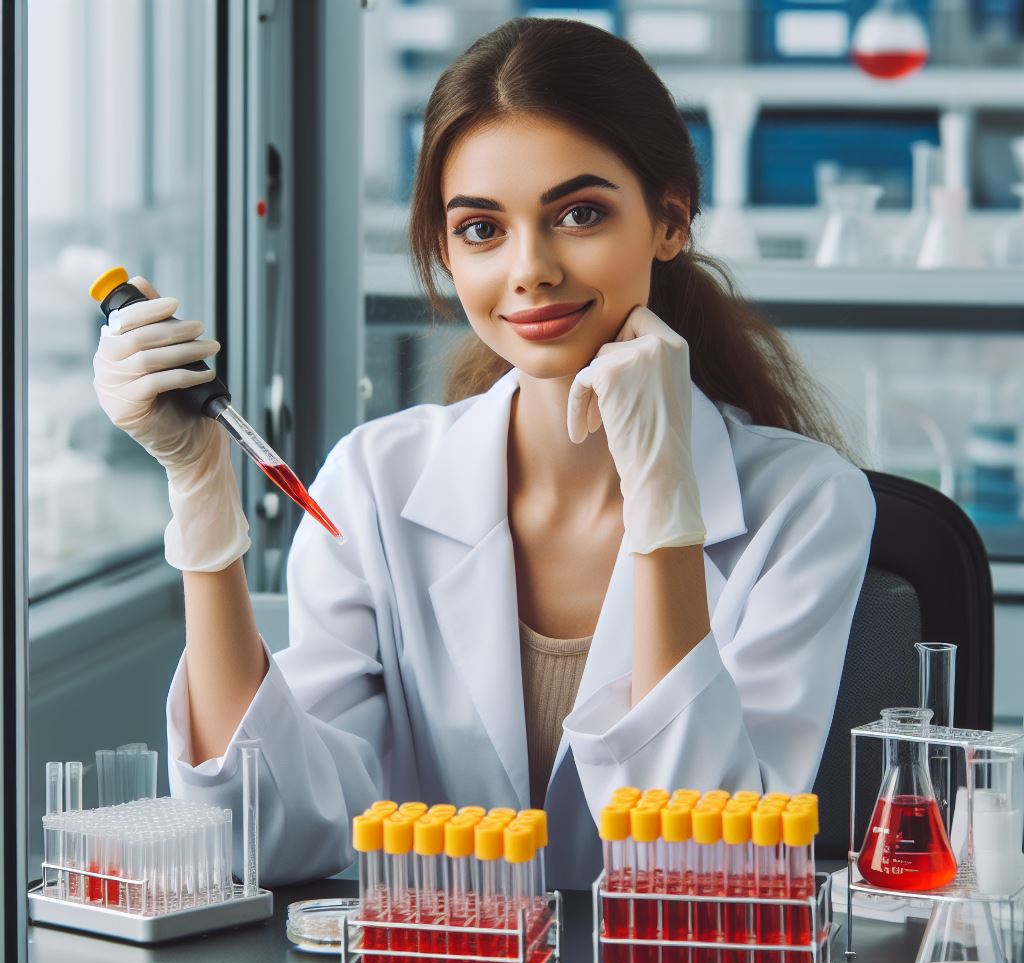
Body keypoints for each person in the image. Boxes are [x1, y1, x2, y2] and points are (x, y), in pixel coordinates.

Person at [92, 18, 875, 889]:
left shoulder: (806, 503)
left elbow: (707, 869)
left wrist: (666, 505)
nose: (530, 268)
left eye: (580, 214)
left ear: (670, 220)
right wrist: (200, 493)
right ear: (444, 253)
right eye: (481, 229)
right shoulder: (373, 483)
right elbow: (264, 835)